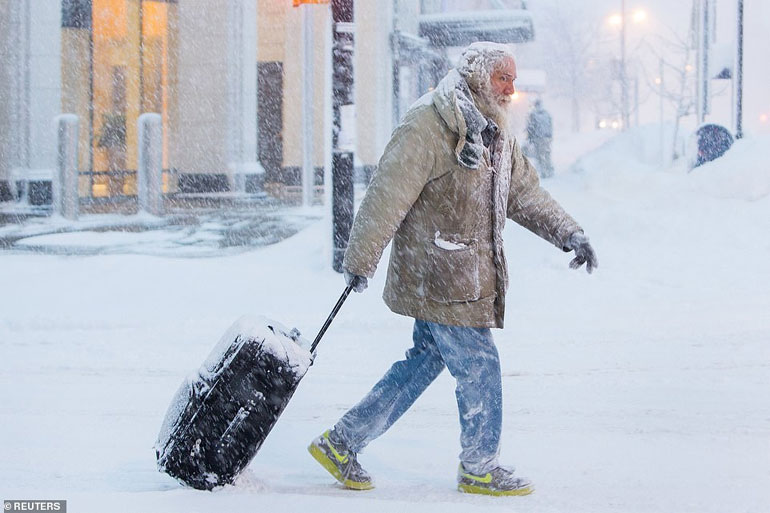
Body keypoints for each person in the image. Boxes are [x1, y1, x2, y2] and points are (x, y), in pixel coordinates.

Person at [308, 42, 597, 497]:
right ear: (480, 77)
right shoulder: (430, 122)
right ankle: (480, 466)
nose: (511, 87)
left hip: (462, 271)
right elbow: (388, 192)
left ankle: (342, 441)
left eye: (513, 78)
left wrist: (569, 233)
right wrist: (362, 257)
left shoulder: (495, 131)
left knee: (424, 361)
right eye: (504, 77)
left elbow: (522, 192)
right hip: (439, 270)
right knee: (480, 365)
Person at [526, 98, 555, 178]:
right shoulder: (547, 114)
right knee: (547, 153)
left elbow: (531, 128)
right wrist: (550, 136)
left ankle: (544, 172)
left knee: (540, 155)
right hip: (547, 138)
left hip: (538, 138)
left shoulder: (533, 114)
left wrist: (530, 138)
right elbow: (550, 125)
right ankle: (549, 169)